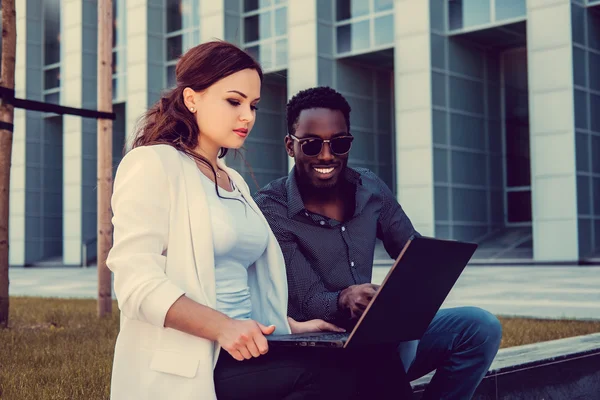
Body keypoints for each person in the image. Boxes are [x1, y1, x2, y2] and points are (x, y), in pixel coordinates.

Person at [106, 42, 354, 400]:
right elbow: (134, 284)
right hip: (197, 361)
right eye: (234, 102)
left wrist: (292, 327)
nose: (248, 117)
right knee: (331, 375)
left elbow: (238, 281)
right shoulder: (153, 163)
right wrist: (223, 328)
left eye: (253, 106)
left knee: (361, 355)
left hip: (248, 349)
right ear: (192, 99)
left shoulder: (232, 179)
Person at [254, 86, 503, 399]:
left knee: (480, 328)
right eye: (312, 145)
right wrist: (345, 298)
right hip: (321, 349)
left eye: (339, 143)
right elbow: (307, 297)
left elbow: (411, 248)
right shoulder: (270, 207)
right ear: (291, 146)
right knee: (382, 348)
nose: (327, 155)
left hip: (379, 335)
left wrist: (425, 274)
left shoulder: (369, 187)